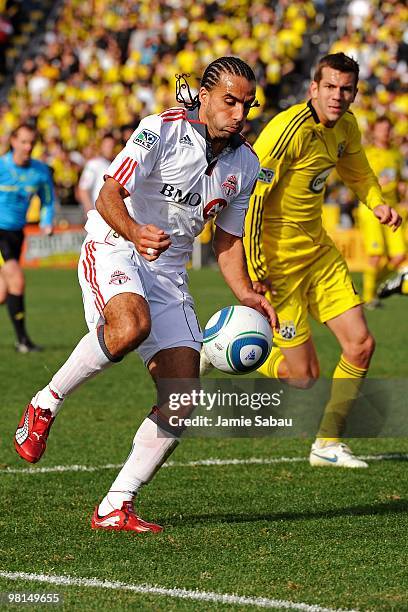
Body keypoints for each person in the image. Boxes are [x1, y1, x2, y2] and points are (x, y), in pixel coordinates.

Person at [14, 57, 277, 533]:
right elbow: (107, 193)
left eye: (247, 104)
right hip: (116, 243)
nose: (239, 113)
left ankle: (115, 505)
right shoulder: (160, 130)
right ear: (205, 95)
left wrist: (246, 293)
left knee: (183, 399)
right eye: (230, 101)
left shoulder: (246, 163)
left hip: (169, 271)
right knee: (131, 325)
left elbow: (227, 240)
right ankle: (45, 403)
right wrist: (134, 231)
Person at [243, 53, 401, 468]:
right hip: (278, 266)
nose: (338, 96)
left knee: (361, 344)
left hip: (320, 254)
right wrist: (255, 267)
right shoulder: (286, 131)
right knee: (303, 377)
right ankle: (226, 344)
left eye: (345, 89)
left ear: (354, 92)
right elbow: (252, 199)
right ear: (313, 88)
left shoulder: (346, 127)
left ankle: (327, 443)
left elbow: (359, 170)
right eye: (330, 87)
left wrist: (377, 204)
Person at [0, 124, 55, 353]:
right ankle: (23, 341)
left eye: (31, 142)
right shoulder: (2, 166)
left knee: (3, 293)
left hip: (16, 233)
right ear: (13, 141)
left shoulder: (40, 171)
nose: (28, 147)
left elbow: (47, 199)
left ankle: (22, 341)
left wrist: (46, 221)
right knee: (17, 280)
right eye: (23, 141)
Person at [358, 116, 407, 309]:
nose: (385, 132)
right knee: (376, 256)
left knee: (400, 256)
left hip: (392, 207)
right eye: (381, 129)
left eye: (388, 129)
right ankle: (370, 297)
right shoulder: (367, 153)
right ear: (374, 131)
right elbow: (359, 180)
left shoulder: (395, 154)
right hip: (372, 209)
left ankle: (376, 285)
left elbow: (401, 179)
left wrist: (402, 190)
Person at [76, 133, 116, 217]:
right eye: (107, 146)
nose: (110, 149)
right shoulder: (94, 164)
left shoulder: (115, 164)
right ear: (101, 147)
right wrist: (90, 212)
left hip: (114, 214)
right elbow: (83, 189)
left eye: (112, 146)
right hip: (99, 214)